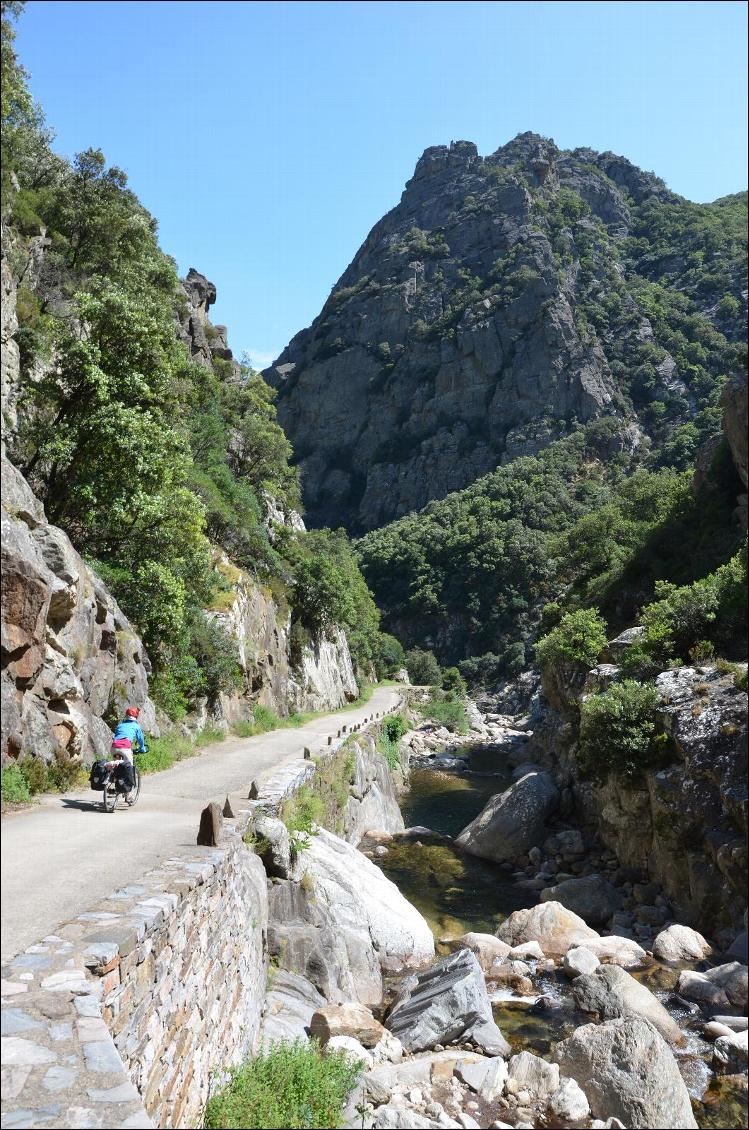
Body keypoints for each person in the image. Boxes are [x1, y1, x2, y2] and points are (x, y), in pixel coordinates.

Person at [110, 706, 147, 794]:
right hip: (125, 748)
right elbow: (140, 740)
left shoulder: (120, 725)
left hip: (114, 747)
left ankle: (110, 782)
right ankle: (129, 794)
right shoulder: (136, 726)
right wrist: (142, 749)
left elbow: (117, 736)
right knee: (129, 769)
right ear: (136, 716)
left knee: (116, 766)